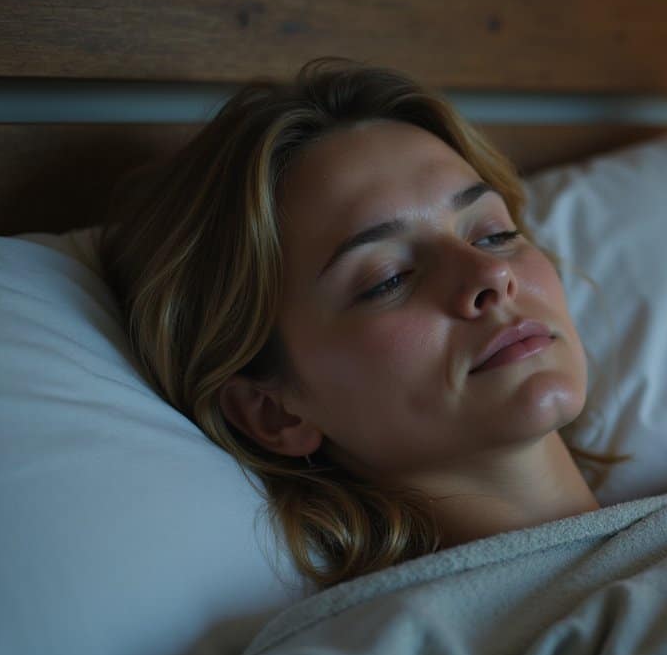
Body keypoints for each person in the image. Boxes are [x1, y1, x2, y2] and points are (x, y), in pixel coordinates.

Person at [102, 58, 620, 588]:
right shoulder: (408, 639)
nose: (492, 274)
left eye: (493, 234)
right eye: (388, 279)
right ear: (272, 412)